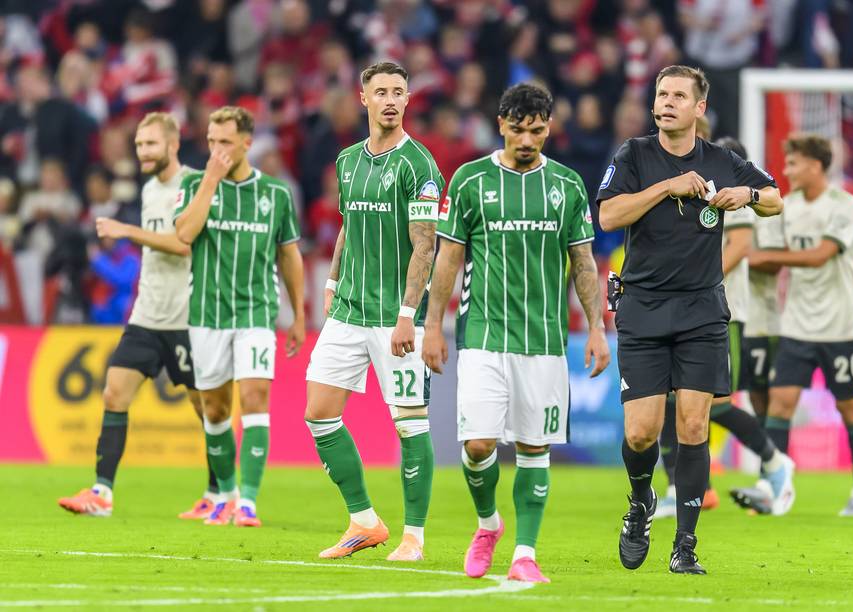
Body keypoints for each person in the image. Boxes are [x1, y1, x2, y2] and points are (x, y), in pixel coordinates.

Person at [597, 65, 783, 575]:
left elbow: (775, 198)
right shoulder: (633, 155)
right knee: (641, 433)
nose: (667, 102)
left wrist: (746, 195)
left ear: (699, 108)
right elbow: (608, 217)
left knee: (696, 424)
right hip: (644, 309)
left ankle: (685, 546)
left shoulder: (723, 161)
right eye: (661, 94)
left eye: (679, 95)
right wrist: (667, 187)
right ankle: (640, 505)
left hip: (702, 311)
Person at [423, 83, 610, 583]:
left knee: (533, 448)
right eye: (519, 129)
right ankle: (488, 525)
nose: (528, 139)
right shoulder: (469, 180)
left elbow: (583, 263)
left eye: (538, 129)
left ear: (549, 127)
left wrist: (597, 327)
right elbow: (449, 259)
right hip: (482, 336)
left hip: (544, 342)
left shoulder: (567, 185)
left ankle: (525, 554)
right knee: (479, 446)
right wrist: (432, 325)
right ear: (501, 124)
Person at [304, 62, 443, 562]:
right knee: (318, 415)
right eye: (380, 91)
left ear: (408, 101)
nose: (390, 99)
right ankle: (364, 521)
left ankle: (414, 537)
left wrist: (409, 313)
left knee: (409, 423)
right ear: (362, 97)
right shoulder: (346, 161)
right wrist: (333, 281)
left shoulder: (419, 166)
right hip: (347, 310)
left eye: (399, 92)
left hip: (395, 316)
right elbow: (348, 226)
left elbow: (424, 246)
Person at [58, 112, 218, 519]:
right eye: (139, 146)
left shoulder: (193, 185)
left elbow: (184, 245)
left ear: (172, 144)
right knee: (114, 393)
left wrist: (126, 231)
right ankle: (102, 493)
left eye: (150, 144)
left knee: (207, 408)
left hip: (186, 317)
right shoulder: (149, 190)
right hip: (147, 315)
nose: (143, 152)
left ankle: (219, 493)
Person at [174, 106, 305, 527]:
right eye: (211, 142)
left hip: (256, 312)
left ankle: (248, 501)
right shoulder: (195, 182)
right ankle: (226, 494)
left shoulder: (276, 194)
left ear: (247, 142)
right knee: (214, 410)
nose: (217, 150)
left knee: (253, 399)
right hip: (207, 314)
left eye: (225, 142)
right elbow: (183, 233)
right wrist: (210, 179)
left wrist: (299, 314)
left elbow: (289, 255)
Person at [656, 137, 794, 519]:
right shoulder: (696, 191)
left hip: (723, 313)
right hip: (682, 311)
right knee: (669, 401)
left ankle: (773, 461)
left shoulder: (740, 198)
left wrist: (690, 276)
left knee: (713, 404)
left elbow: (741, 246)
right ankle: (684, 487)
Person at [738, 133, 853, 517]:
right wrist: (740, 252)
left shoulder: (845, 205)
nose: (788, 170)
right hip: (795, 324)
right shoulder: (788, 205)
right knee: (780, 404)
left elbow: (820, 256)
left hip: (841, 327)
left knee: (851, 409)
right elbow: (772, 259)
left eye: (794, 163)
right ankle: (774, 488)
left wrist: (751, 253)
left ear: (815, 165)